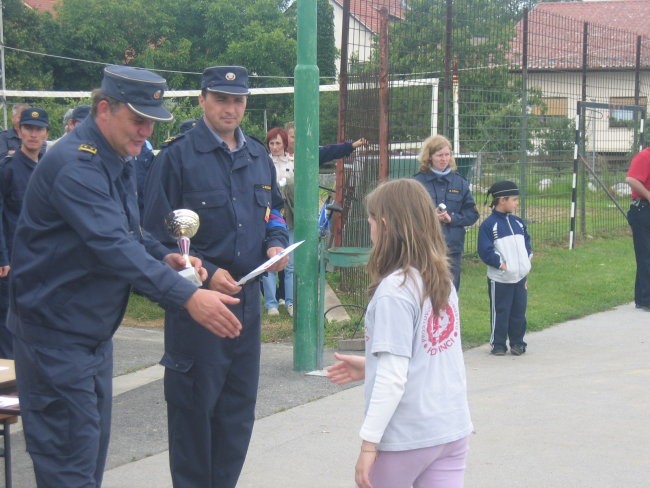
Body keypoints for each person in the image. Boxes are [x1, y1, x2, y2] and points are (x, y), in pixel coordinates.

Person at [7, 65, 243, 488]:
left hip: (87, 337)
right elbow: (111, 247)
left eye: (152, 121)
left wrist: (169, 257)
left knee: (85, 461)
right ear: (104, 110)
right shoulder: (77, 166)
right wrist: (187, 297)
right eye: (138, 119)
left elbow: (131, 235)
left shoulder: (115, 158)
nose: (146, 131)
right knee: (69, 468)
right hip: (56, 339)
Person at [142, 65, 289, 488]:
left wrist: (275, 243)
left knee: (237, 411)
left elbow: (273, 210)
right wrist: (205, 274)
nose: (230, 108)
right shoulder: (177, 157)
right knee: (193, 414)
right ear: (203, 99)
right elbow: (153, 236)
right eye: (221, 99)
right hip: (197, 309)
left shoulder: (258, 155)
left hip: (247, 303)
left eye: (238, 100)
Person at [327, 178, 473, 488]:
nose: (369, 226)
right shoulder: (440, 279)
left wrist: (369, 444)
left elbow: (393, 378)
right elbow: (431, 357)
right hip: (451, 430)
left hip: (407, 438)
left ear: (382, 224)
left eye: (369, 219)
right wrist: (371, 367)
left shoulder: (395, 290)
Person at [0, 107, 49, 358]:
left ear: (47, 134)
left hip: (42, 258)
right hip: (13, 258)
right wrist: (2, 257)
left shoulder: (50, 170)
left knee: (38, 319)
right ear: (19, 131)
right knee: (9, 321)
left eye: (39, 129)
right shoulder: (7, 168)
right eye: (28, 128)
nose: (33, 134)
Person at [413, 134, 479, 291]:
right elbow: (409, 213)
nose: (444, 159)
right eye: (439, 155)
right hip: (426, 246)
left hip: (452, 248)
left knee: (450, 291)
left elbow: (472, 214)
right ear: (429, 157)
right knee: (425, 290)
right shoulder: (417, 182)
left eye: (447, 154)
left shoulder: (460, 182)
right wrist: (430, 217)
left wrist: (452, 219)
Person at [477, 180, 532, 356]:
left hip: (520, 278)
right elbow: (485, 250)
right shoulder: (489, 225)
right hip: (500, 279)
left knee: (519, 312)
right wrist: (501, 264)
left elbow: (527, 245)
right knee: (501, 311)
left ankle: (518, 342)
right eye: (514, 200)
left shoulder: (519, 223)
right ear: (502, 200)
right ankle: (498, 344)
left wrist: (525, 265)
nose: (517, 203)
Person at [262, 126, 295, 316]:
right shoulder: (263, 162)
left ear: (284, 144)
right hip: (270, 215)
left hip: (289, 216)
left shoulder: (293, 162)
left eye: (277, 143)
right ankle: (271, 304)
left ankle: (290, 302)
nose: (274, 146)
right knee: (269, 260)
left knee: (289, 263)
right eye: (271, 143)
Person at [625, 147, 650, 311]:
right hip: (642, 210)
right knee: (646, 255)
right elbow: (631, 179)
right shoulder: (645, 156)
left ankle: (642, 296)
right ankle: (645, 299)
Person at [284, 120, 368, 163]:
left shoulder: (309, 154)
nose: (297, 141)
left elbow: (331, 151)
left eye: (300, 138)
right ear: (285, 137)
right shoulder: (274, 154)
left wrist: (352, 145)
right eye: (293, 137)